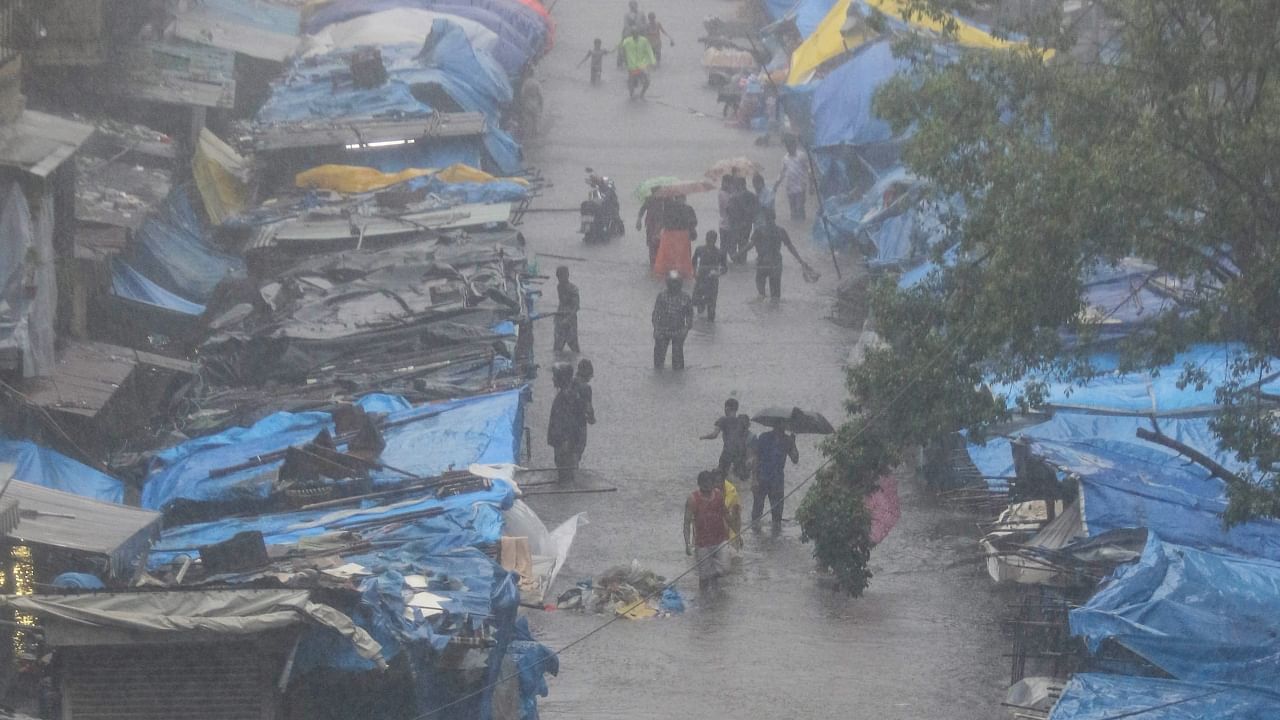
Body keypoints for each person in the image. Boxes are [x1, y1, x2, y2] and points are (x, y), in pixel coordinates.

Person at [738, 206, 809, 299]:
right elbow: (790, 247)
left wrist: (738, 253)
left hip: (763, 263)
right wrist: (801, 261)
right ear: (774, 217)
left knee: (761, 294)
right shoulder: (780, 231)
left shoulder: (759, 231)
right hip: (775, 264)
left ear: (765, 218)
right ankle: (774, 310)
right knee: (775, 297)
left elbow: (750, 245)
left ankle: (760, 310)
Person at [684, 470, 731, 592]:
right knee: (704, 578)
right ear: (699, 485)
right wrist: (687, 544)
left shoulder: (719, 495)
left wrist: (735, 531)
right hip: (702, 543)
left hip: (720, 539)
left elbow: (725, 514)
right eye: (704, 487)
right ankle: (704, 601)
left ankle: (713, 577)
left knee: (725, 568)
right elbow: (687, 523)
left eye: (709, 486)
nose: (707, 490)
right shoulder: (693, 499)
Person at [752, 423, 799, 531]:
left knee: (777, 516)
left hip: (777, 481)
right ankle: (756, 537)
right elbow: (756, 458)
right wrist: (754, 479)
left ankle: (775, 538)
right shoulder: (764, 437)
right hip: (761, 478)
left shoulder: (788, 440)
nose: (780, 427)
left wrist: (793, 443)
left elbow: (795, 459)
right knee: (756, 513)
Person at [546, 362, 584, 482]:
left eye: (555, 376)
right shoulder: (566, 395)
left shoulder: (567, 397)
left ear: (561, 378)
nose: (552, 378)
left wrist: (566, 442)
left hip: (564, 443)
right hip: (562, 442)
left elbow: (569, 422)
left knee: (565, 475)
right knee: (564, 473)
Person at [701, 398, 750, 481]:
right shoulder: (742, 421)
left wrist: (703, 437)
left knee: (721, 476)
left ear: (727, 408)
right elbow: (745, 437)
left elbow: (714, 435)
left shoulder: (723, 420)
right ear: (736, 409)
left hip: (728, 452)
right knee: (742, 478)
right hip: (741, 452)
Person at [651, 271, 693, 369]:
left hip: (678, 331)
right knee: (658, 364)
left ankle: (678, 381)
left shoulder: (685, 298)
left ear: (680, 283)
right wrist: (656, 329)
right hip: (662, 330)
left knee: (678, 365)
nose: (674, 285)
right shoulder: (662, 296)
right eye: (672, 282)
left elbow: (690, 316)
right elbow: (656, 314)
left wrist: (685, 330)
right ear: (668, 282)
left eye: (676, 282)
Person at [653, 194, 696, 278]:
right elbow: (693, 222)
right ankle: (681, 272)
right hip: (680, 236)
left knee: (668, 256)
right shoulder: (688, 209)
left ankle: (667, 272)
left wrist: (657, 232)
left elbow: (662, 221)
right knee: (682, 256)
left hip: (670, 235)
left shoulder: (669, 208)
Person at [691, 230, 727, 321]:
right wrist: (694, 272)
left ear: (715, 240)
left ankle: (709, 326)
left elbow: (725, 268)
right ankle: (700, 328)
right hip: (701, 279)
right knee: (698, 302)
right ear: (706, 239)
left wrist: (718, 273)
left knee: (711, 307)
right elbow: (693, 263)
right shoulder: (699, 249)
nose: (710, 242)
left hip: (713, 280)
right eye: (709, 239)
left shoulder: (720, 253)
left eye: (712, 240)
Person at [778, 136, 812, 221]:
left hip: (801, 186)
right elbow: (782, 173)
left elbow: (809, 169)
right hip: (790, 186)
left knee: (799, 206)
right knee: (793, 209)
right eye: (787, 146)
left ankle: (801, 223)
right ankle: (796, 224)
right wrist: (776, 185)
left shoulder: (801, 156)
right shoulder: (785, 158)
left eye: (790, 146)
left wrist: (811, 185)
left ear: (795, 145)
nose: (789, 148)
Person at [725, 176, 757, 262]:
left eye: (735, 184)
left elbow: (729, 211)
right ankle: (742, 265)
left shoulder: (735, 197)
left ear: (739, 185)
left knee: (732, 246)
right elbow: (755, 210)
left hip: (736, 225)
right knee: (743, 245)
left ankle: (737, 268)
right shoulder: (752, 195)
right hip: (747, 225)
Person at [620, 28, 656, 99]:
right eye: (633, 33)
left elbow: (649, 50)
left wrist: (653, 61)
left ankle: (642, 94)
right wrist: (624, 59)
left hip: (642, 65)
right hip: (632, 66)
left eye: (636, 33)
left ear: (639, 34)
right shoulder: (627, 41)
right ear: (632, 34)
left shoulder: (644, 40)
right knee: (631, 81)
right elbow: (621, 48)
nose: (635, 35)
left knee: (647, 81)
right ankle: (631, 94)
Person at [553, 265, 581, 353]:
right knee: (557, 348)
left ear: (567, 275)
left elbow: (576, 307)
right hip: (560, 319)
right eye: (559, 277)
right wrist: (557, 317)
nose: (560, 279)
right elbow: (561, 303)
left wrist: (567, 319)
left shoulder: (573, 289)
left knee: (574, 348)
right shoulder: (559, 287)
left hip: (570, 321)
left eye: (562, 276)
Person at [573, 358, 596, 464]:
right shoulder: (586, 388)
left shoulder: (570, 382)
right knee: (579, 447)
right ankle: (574, 470)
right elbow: (588, 406)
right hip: (579, 422)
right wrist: (592, 418)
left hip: (565, 421)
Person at [636, 192, 668, 267]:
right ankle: (654, 263)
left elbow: (642, 210)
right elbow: (642, 210)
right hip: (652, 224)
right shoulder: (650, 199)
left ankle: (657, 262)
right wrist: (639, 220)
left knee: (658, 244)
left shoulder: (665, 199)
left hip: (660, 225)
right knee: (652, 244)